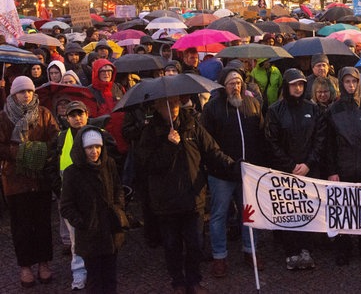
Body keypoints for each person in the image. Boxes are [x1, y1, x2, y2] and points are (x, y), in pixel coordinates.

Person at [135, 94, 237, 293]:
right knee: (172, 245)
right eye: (167, 104)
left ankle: (193, 279)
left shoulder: (192, 125)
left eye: (175, 102)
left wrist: (233, 165)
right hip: (166, 200)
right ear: (157, 106)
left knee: (195, 243)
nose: (173, 107)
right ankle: (178, 281)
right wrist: (168, 145)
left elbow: (212, 151)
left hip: (192, 197)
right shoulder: (150, 132)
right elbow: (146, 165)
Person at [200, 67, 266, 277]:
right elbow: (208, 144)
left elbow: (260, 134)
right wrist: (227, 164)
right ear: (223, 85)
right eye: (231, 83)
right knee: (219, 215)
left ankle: (250, 250)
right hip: (222, 172)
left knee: (249, 213)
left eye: (238, 82)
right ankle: (220, 256)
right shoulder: (212, 108)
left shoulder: (252, 104)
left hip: (247, 172)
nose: (235, 86)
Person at [0, 76, 60, 287]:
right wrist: (22, 151)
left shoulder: (43, 114)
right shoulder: (4, 117)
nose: (26, 95)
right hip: (16, 180)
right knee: (22, 226)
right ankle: (25, 266)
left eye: (29, 91)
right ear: (13, 94)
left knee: (42, 223)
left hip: (40, 178)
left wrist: (39, 151)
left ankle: (44, 263)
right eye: (21, 92)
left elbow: (55, 138)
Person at [264, 68, 326, 270]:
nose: (298, 88)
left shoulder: (313, 108)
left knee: (307, 210)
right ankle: (290, 251)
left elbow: (320, 139)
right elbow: (271, 142)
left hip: (309, 169)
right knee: (289, 211)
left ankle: (307, 248)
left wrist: (308, 164)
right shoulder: (275, 110)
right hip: (285, 171)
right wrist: (290, 165)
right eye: (294, 84)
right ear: (286, 86)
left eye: (301, 84)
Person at [324, 67, 361, 266]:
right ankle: (344, 248)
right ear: (341, 83)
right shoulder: (333, 109)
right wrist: (332, 170)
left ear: (359, 83)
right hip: (343, 169)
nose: (351, 85)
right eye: (347, 81)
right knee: (343, 211)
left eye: (354, 81)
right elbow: (329, 145)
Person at [60, 127, 125, 294]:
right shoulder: (72, 173)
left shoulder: (109, 164)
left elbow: (118, 188)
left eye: (97, 147)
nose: (94, 151)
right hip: (89, 234)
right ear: (82, 149)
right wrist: (82, 222)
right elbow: (66, 205)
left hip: (110, 230)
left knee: (110, 277)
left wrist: (117, 207)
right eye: (89, 148)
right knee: (95, 279)